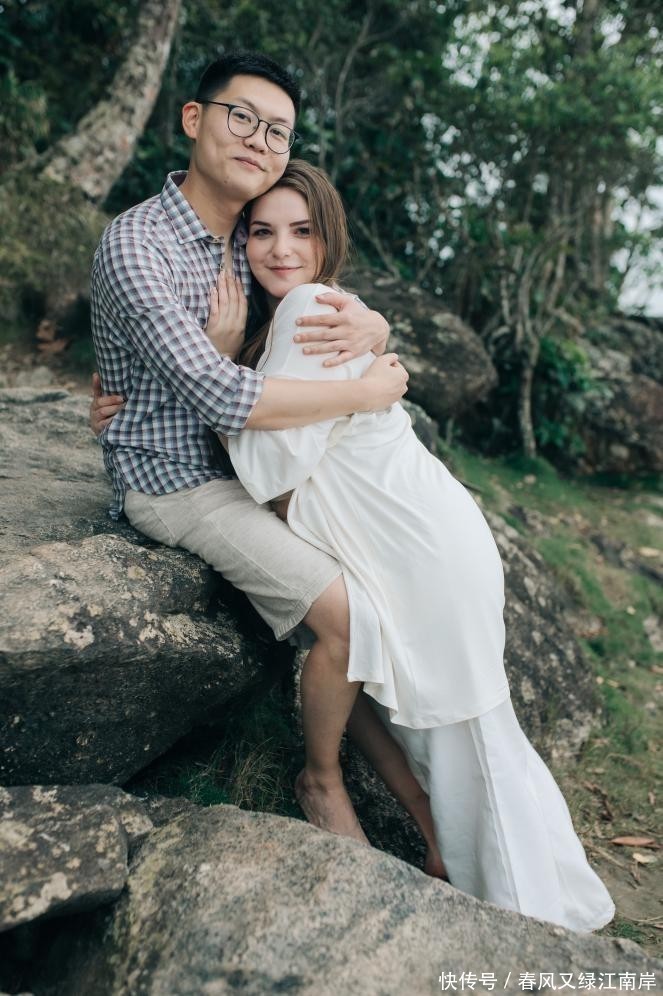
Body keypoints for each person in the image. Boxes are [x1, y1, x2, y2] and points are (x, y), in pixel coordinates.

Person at [213, 159, 615, 932]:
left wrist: (217, 359)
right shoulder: (312, 311)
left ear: (329, 237)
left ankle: (522, 920)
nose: (280, 249)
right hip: (417, 535)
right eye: (261, 231)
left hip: (417, 546)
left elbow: (268, 466)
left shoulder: (308, 307)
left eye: (301, 230)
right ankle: (509, 879)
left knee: (466, 742)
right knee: (460, 726)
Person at [89, 50, 410, 849]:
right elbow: (224, 395)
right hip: (178, 482)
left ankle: (423, 807)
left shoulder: (248, 235)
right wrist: (365, 391)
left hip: (255, 468)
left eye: (277, 130)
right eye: (242, 117)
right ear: (193, 119)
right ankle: (320, 783)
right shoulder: (139, 246)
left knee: (385, 604)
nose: (258, 140)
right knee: (345, 617)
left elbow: (315, 297)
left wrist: (375, 326)